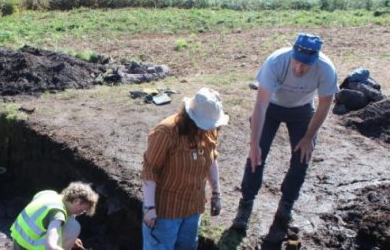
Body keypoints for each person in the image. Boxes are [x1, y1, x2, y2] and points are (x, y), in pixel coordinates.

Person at [230, 33, 338, 242]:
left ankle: (286, 206)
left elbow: (325, 105)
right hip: (271, 108)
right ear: (292, 54)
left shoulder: (326, 69)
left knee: (302, 158)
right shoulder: (276, 61)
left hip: (302, 110)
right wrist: (254, 144)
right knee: (257, 155)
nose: (298, 69)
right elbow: (261, 104)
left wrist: (308, 137)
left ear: (315, 60)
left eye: (305, 66)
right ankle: (246, 204)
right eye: (296, 63)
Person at [141, 87, 228, 250]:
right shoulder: (166, 133)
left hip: (193, 208)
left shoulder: (209, 132)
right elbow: (150, 169)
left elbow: (211, 159)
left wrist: (216, 192)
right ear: (191, 118)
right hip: (166, 211)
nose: (208, 129)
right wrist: (149, 207)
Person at [11, 182, 98, 250]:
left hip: (17, 241)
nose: (79, 213)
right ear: (76, 201)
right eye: (81, 210)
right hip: (30, 247)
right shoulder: (58, 213)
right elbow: (51, 246)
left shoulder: (48, 194)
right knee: (74, 226)